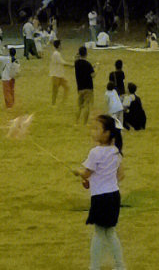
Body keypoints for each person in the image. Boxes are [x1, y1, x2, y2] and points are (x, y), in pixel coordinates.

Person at [78, 114, 125, 270]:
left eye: (97, 128)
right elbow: (120, 176)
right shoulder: (116, 152)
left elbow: (86, 173)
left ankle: (94, 267)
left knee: (98, 233)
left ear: (107, 133)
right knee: (110, 233)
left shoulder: (95, 152)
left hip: (100, 198)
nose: (93, 131)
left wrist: (79, 173)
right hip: (114, 196)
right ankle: (120, 266)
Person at [74, 46, 95, 123]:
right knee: (87, 105)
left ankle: (76, 121)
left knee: (79, 106)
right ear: (86, 54)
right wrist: (97, 68)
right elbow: (93, 75)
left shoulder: (76, 63)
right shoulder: (88, 64)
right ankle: (84, 123)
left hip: (80, 87)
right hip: (88, 87)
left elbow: (75, 57)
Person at [51, 40, 71, 105]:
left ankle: (62, 102)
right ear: (59, 46)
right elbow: (63, 63)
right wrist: (71, 65)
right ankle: (54, 103)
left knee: (66, 87)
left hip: (59, 75)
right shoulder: (56, 54)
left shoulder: (56, 54)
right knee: (56, 90)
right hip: (56, 75)